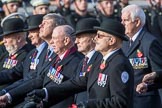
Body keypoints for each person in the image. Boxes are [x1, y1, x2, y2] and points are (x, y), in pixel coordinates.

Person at [27, 19, 134, 108]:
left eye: (100, 36)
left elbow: (120, 102)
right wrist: (45, 92)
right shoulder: (101, 61)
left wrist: (88, 105)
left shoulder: (119, 64)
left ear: (111, 41)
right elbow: (77, 83)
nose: (95, 39)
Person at [0, 13, 67, 107]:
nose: (29, 36)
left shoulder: (60, 54)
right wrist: (6, 93)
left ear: (57, 29)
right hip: (28, 98)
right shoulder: (36, 53)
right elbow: (22, 76)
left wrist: (8, 94)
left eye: (33, 31)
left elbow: (37, 80)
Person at [121, 4, 162, 108]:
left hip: (145, 101)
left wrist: (148, 85)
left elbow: (160, 72)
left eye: (125, 20)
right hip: (127, 100)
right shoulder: (124, 42)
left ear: (137, 22)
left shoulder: (150, 42)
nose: (122, 24)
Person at [72, 18, 102, 104]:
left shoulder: (100, 60)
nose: (76, 41)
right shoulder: (83, 61)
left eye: (80, 37)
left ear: (94, 38)